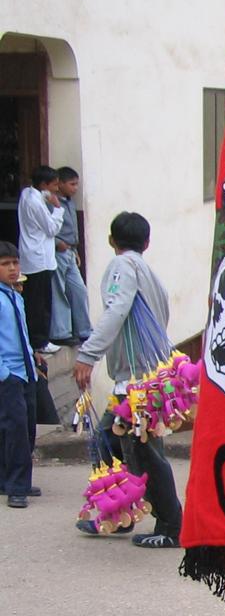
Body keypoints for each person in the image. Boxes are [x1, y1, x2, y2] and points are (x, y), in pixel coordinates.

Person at [72, 212, 184, 548]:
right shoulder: (150, 273)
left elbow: (117, 311)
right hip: (143, 379)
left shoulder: (122, 267)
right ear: (147, 243)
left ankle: (171, 525)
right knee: (109, 442)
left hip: (135, 382)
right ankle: (118, 513)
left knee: (145, 452)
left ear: (111, 241)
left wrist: (88, 354)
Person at [0, 243, 45, 508]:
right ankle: (17, 486)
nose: (13, 269)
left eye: (15, 263)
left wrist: (33, 358)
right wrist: (5, 374)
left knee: (26, 427)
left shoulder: (15, 296)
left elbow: (22, 333)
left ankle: (11, 479)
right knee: (15, 429)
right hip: (8, 373)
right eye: (6, 264)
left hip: (25, 371)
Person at [16, 165, 64, 354]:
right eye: (54, 185)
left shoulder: (28, 194)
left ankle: (39, 339)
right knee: (39, 304)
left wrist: (48, 198)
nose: (56, 189)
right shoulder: (34, 202)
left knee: (38, 301)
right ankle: (39, 341)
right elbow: (51, 229)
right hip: (39, 259)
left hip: (37, 257)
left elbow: (41, 197)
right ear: (44, 184)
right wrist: (58, 209)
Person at [49, 166, 92, 346]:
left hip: (70, 251)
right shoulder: (52, 203)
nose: (75, 188)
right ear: (60, 184)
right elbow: (47, 228)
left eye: (77, 184)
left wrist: (74, 251)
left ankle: (84, 329)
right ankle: (61, 332)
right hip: (58, 250)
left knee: (79, 289)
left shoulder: (70, 202)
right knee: (59, 290)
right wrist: (57, 242)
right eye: (72, 184)